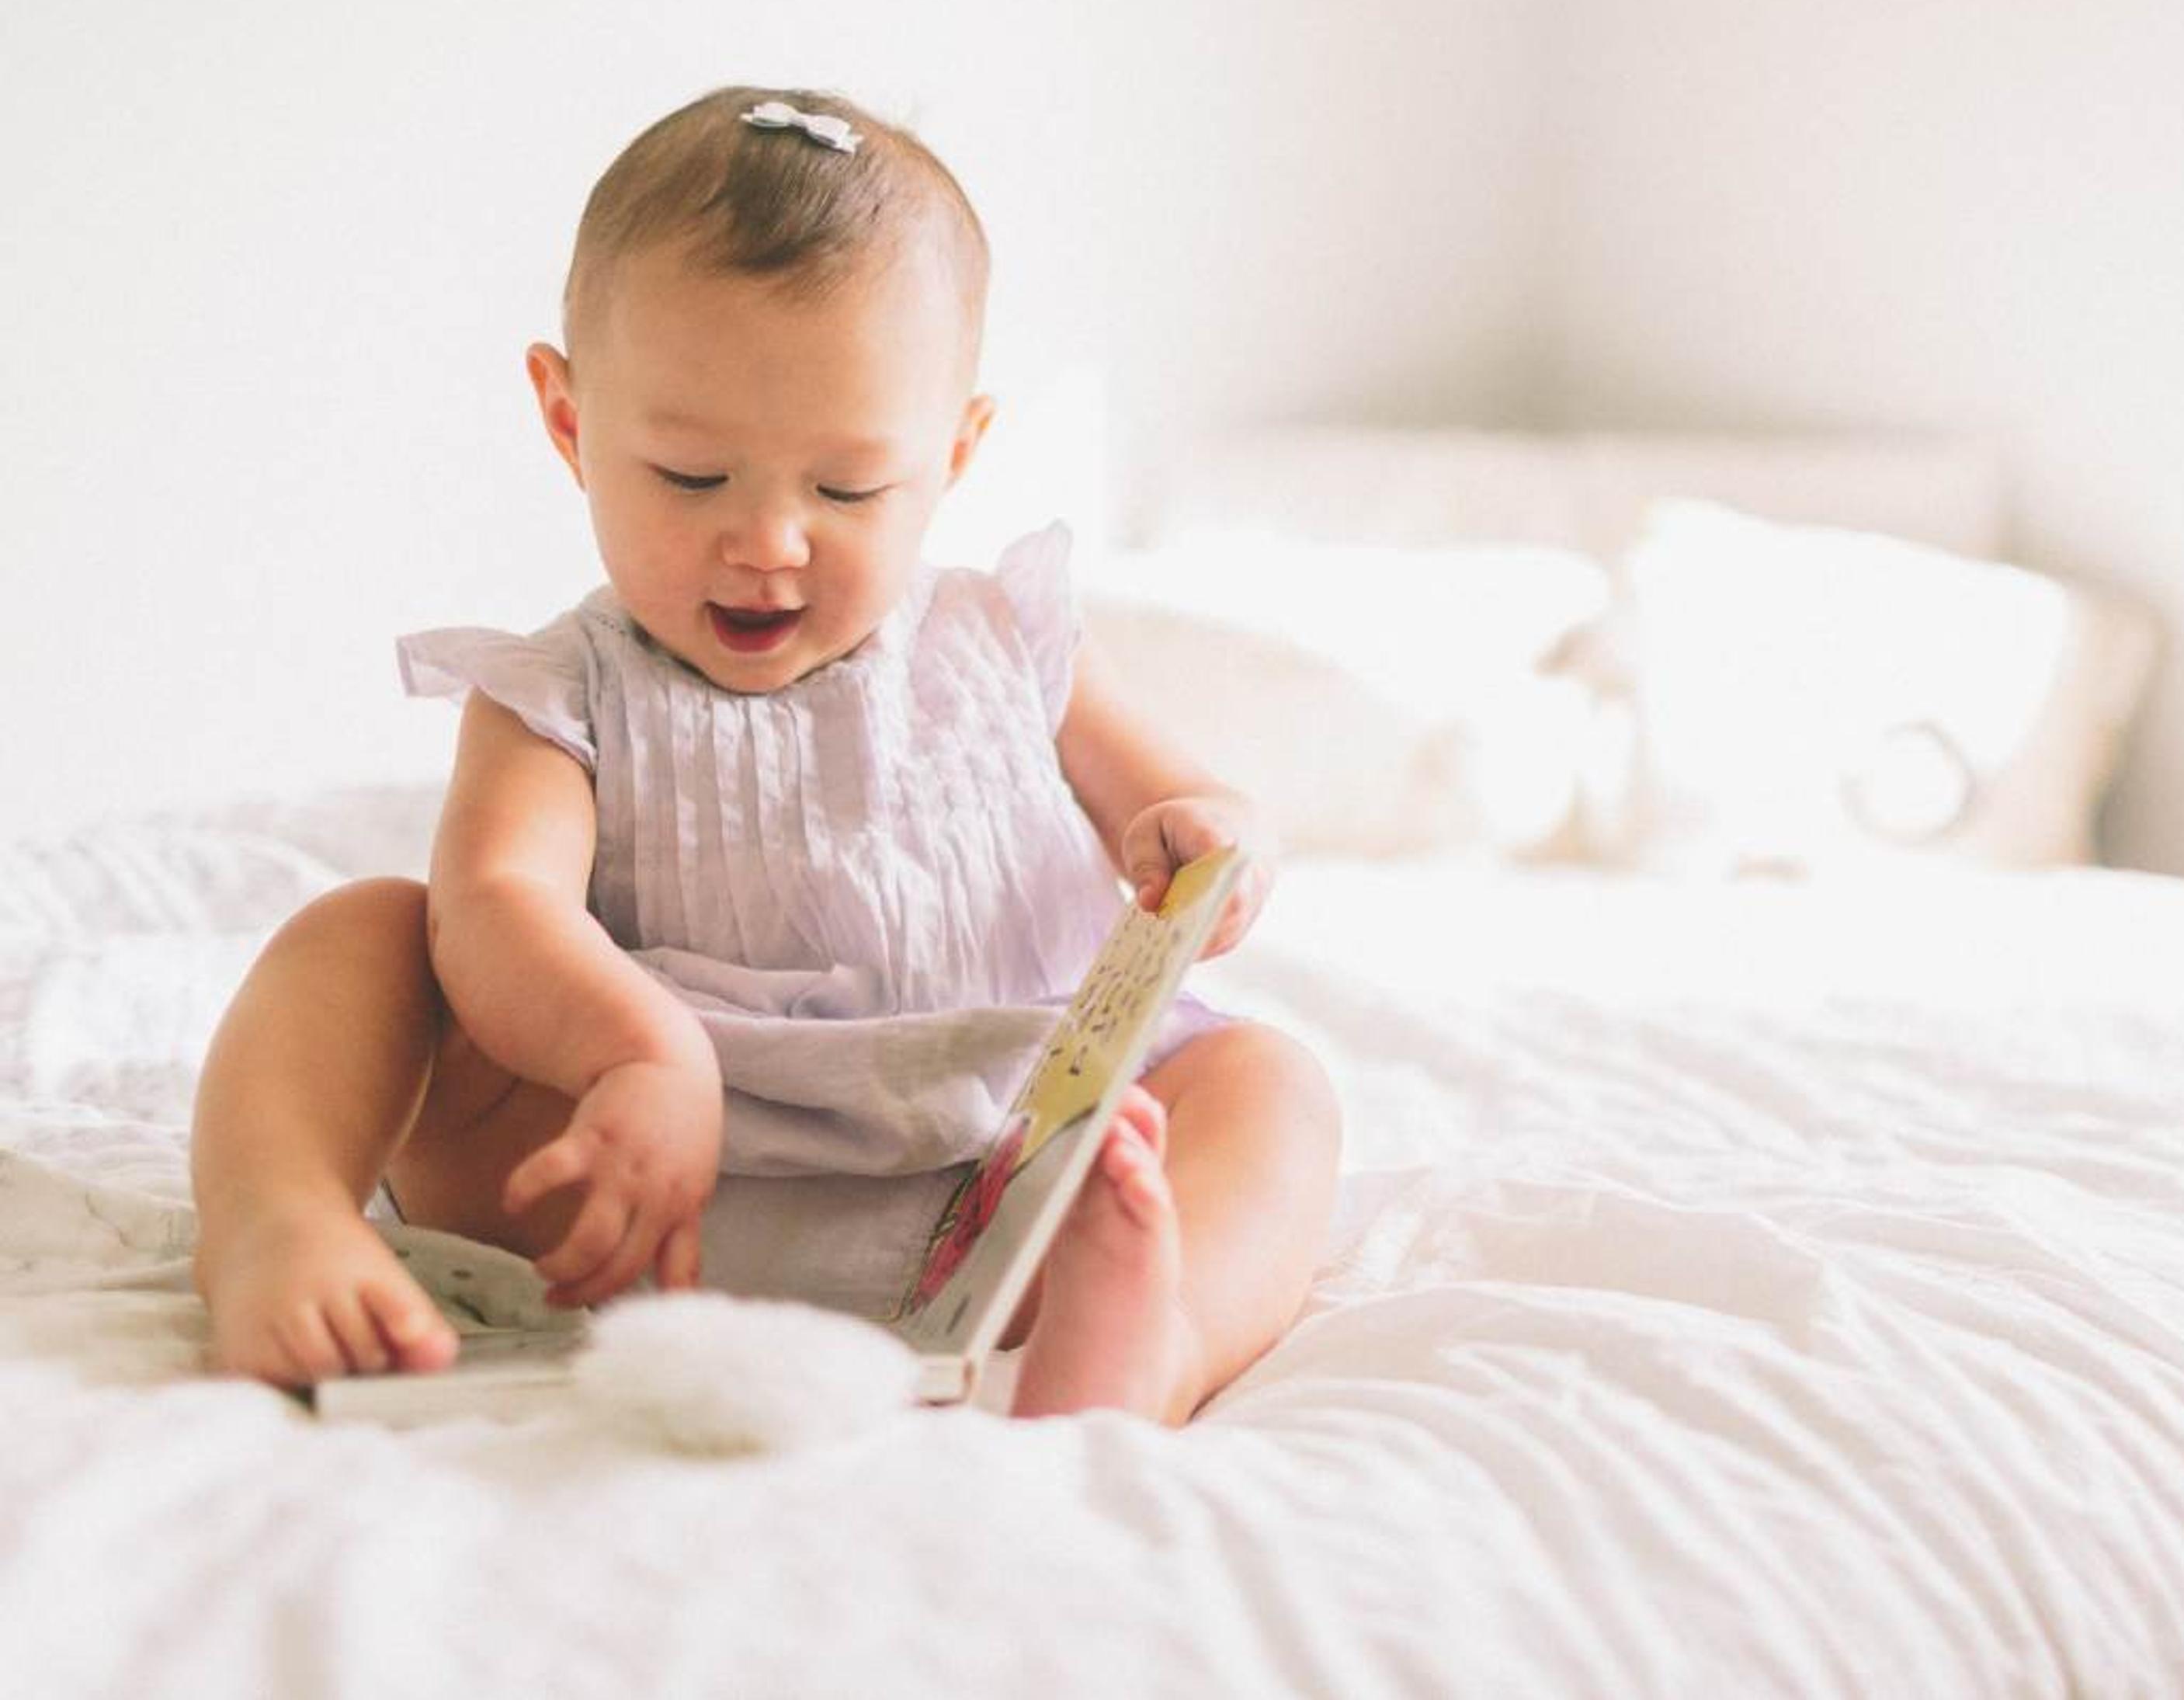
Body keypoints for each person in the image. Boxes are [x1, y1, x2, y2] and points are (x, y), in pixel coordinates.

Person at [186, 85, 1339, 1425]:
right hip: (627, 1184)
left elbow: (1198, 811)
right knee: (368, 933)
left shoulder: (1005, 637)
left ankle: (1158, 1338)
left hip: (990, 1178)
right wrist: (640, 1055)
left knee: (1269, 1085)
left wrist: (1210, 841)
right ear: (568, 423)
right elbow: (498, 907)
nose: (769, 541)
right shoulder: (562, 690)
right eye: (690, 476)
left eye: (846, 489)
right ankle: (273, 1219)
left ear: (955, 450)